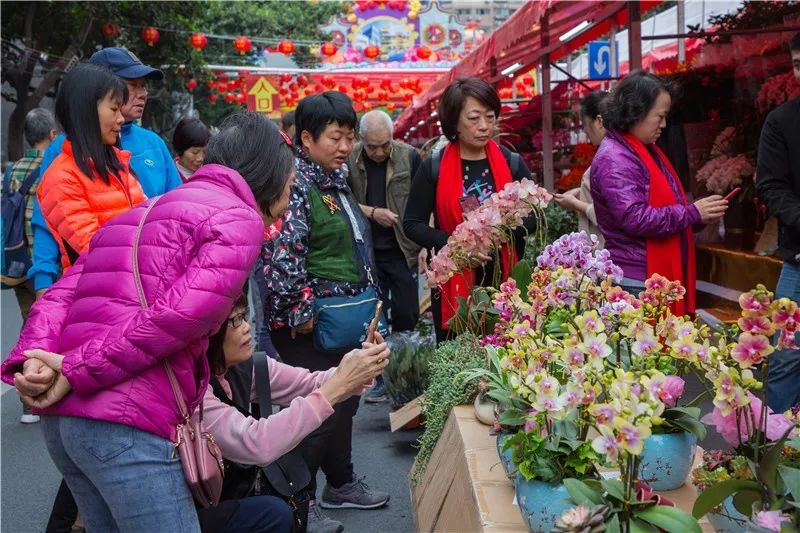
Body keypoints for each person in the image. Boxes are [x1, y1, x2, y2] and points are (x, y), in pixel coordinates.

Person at [2, 112, 302, 532]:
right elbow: (181, 316)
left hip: (67, 426)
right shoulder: (239, 217)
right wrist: (75, 369)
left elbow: (59, 294)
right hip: (125, 426)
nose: (287, 205)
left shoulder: (145, 210)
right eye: (289, 187)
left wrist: (33, 361)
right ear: (268, 179)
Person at [263, 92, 390, 533]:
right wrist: (299, 311)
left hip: (344, 317)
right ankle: (298, 501)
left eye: (348, 137)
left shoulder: (333, 179)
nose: (345, 146)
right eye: (335, 137)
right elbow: (284, 250)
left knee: (345, 402)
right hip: (312, 324)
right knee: (313, 413)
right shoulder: (297, 183)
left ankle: (340, 483)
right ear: (306, 137)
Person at [197, 294, 389, 532]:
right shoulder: (195, 392)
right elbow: (256, 441)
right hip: (197, 512)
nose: (247, 328)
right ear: (209, 334)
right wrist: (340, 382)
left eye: (244, 317)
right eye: (235, 322)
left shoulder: (246, 366)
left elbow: (309, 383)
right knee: (274, 513)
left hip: (231, 490)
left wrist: (357, 368)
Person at [28, 47, 182, 297]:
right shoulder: (62, 155)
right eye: (132, 86)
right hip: (102, 290)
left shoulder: (150, 144)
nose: (141, 94)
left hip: (151, 283)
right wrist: (43, 282)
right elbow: (48, 223)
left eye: (144, 87)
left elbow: (175, 210)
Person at [403, 77, 534, 342]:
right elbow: (412, 223)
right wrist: (456, 246)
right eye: (474, 118)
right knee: (458, 358)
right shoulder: (433, 168)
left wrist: (502, 230)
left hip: (505, 281)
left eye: (490, 116)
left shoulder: (511, 163)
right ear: (453, 123)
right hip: (454, 281)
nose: (484, 126)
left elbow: (532, 217)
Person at [590, 70, 728, 314]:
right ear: (636, 112)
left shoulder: (637, 150)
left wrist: (698, 215)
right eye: (660, 116)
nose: (664, 124)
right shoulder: (616, 157)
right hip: (635, 278)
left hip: (640, 274)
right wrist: (691, 214)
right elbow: (635, 218)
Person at [37, 64, 147, 271]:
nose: (121, 119)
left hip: (134, 285)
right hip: (97, 293)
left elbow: (149, 221)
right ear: (85, 110)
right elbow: (95, 250)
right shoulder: (62, 178)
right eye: (114, 109)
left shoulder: (118, 165)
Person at [347, 110, 422, 403]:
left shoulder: (409, 156)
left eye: (384, 145)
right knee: (373, 319)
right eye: (372, 146)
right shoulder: (349, 160)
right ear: (361, 140)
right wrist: (372, 212)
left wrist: (425, 242)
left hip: (403, 250)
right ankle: (379, 378)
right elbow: (343, 200)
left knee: (407, 313)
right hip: (367, 254)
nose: (379, 152)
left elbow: (422, 199)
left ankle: (405, 376)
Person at [3, 107, 57, 424]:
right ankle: (36, 396)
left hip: (17, 259)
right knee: (46, 328)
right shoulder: (53, 167)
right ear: (51, 135)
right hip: (45, 264)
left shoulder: (12, 170)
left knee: (30, 324)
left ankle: (32, 402)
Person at [756, 32, 800, 413]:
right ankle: (779, 452)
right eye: (799, 66)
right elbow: (770, 185)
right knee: (786, 357)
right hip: (798, 260)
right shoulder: (781, 121)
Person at [554, 91, 608, 246]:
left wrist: (575, 203)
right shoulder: (612, 153)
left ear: (599, 121)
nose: (584, 130)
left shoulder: (610, 159)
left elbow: (609, 215)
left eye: (584, 123)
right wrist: (580, 191)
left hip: (605, 250)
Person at [173, 116, 211, 181]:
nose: (201, 158)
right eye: (195, 152)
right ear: (180, 148)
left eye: (205, 152)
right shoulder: (168, 175)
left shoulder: (209, 175)